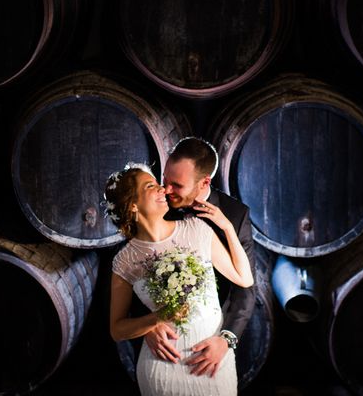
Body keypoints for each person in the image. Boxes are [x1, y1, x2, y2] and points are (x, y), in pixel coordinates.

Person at [106, 162, 253, 396]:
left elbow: (244, 279)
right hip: (162, 368)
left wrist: (226, 227)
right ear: (133, 205)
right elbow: (117, 330)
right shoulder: (124, 261)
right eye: (150, 186)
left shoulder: (197, 229)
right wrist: (155, 320)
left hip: (212, 363)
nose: (163, 189)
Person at [146, 137, 256, 377]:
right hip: (162, 347)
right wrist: (145, 327)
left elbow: (245, 290)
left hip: (211, 343)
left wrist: (226, 340)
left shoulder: (235, 215)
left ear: (204, 182)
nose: (166, 190)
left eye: (177, 185)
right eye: (164, 179)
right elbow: (133, 276)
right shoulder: (154, 207)